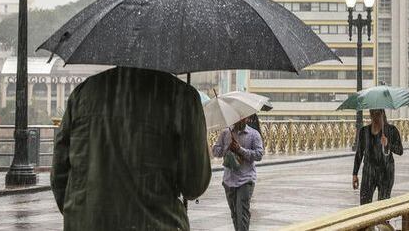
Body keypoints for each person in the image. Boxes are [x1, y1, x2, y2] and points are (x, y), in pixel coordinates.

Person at [51, 67, 211, 231]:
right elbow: (194, 185)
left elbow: (59, 173)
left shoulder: (84, 93)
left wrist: (84, 214)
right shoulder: (182, 97)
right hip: (157, 223)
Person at [212, 117, 265, 231]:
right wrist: (227, 148)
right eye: (237, 118)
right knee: (234, 213)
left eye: (243, 118)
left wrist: (240, 149)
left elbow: (259, 155)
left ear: (247, 119)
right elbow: (215, 151)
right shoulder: (226, 133)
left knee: (242, 213)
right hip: (229, 180)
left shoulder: (253, 134)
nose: (240, 120)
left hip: (246, 179)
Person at [352, 109, 404, 205]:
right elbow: (359, 153)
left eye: (378, 114)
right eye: (373, 114)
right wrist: (355, 174)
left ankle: (383, 220)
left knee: (383, 205)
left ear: (383, 114)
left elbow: (400, 151)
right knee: (364, 204)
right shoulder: (364, 131)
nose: (375, 117)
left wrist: (388, 144)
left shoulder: (391, 130)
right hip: (369, 172)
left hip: (386, 172)